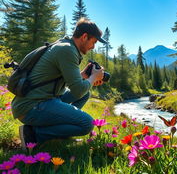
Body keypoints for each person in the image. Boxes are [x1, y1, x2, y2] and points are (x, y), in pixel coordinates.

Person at [11, 18, 106, 150]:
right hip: (31, 106)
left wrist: (84, 76)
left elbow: (63, 82)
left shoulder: (64, 45)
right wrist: (93, 77)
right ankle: (33, 134)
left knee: (85, 94)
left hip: (42, 99)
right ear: (84, 37)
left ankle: (60, 131)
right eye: (93, 42)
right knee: (87, 124)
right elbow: (78, 90)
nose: (93, 47)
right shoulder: (67, 50)